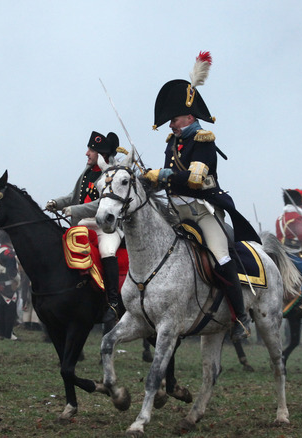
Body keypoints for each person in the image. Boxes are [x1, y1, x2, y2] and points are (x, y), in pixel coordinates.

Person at [143, 51, 260, 341]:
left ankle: (241, 317)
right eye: (170, 121)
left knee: (220, 257)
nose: (171, 124)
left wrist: (165, 175)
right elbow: (166, 184)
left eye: (175, 119)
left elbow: (195, 179)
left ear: (190, 116)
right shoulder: (172, 144)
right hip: (173, 211)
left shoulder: (204, 141)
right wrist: (149, 179)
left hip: (201, 210)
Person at [46, 131, 124, 321]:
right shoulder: (87, 172)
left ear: (101, 154)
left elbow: (103, 204)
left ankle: (113, 302)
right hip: (83, 224)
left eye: (91, 150)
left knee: (107, 251)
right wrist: (56, 203)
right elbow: (72, 197)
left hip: (105, 227)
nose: (87, 153)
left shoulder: (112, 173)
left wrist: (75, 209)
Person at [275, 189, 302, 316]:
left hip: (280, 253)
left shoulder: (279, 218)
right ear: (298, 204)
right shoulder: (297, 217)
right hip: (293, 253)